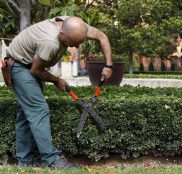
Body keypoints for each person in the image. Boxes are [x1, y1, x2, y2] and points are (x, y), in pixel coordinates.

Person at [7, 16, 113, 169]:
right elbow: (36, 70)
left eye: (79, 43)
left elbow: (102, 36)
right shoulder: (50, 41)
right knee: (38, 109)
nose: (76, 48)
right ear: (62, 33)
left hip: (29, 63)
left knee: (26, 113)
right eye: (73, 44)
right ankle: (51, 160)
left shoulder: (76, 26)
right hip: (19, 66)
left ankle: (25, 161)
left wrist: (109, 65)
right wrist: (57, 80)